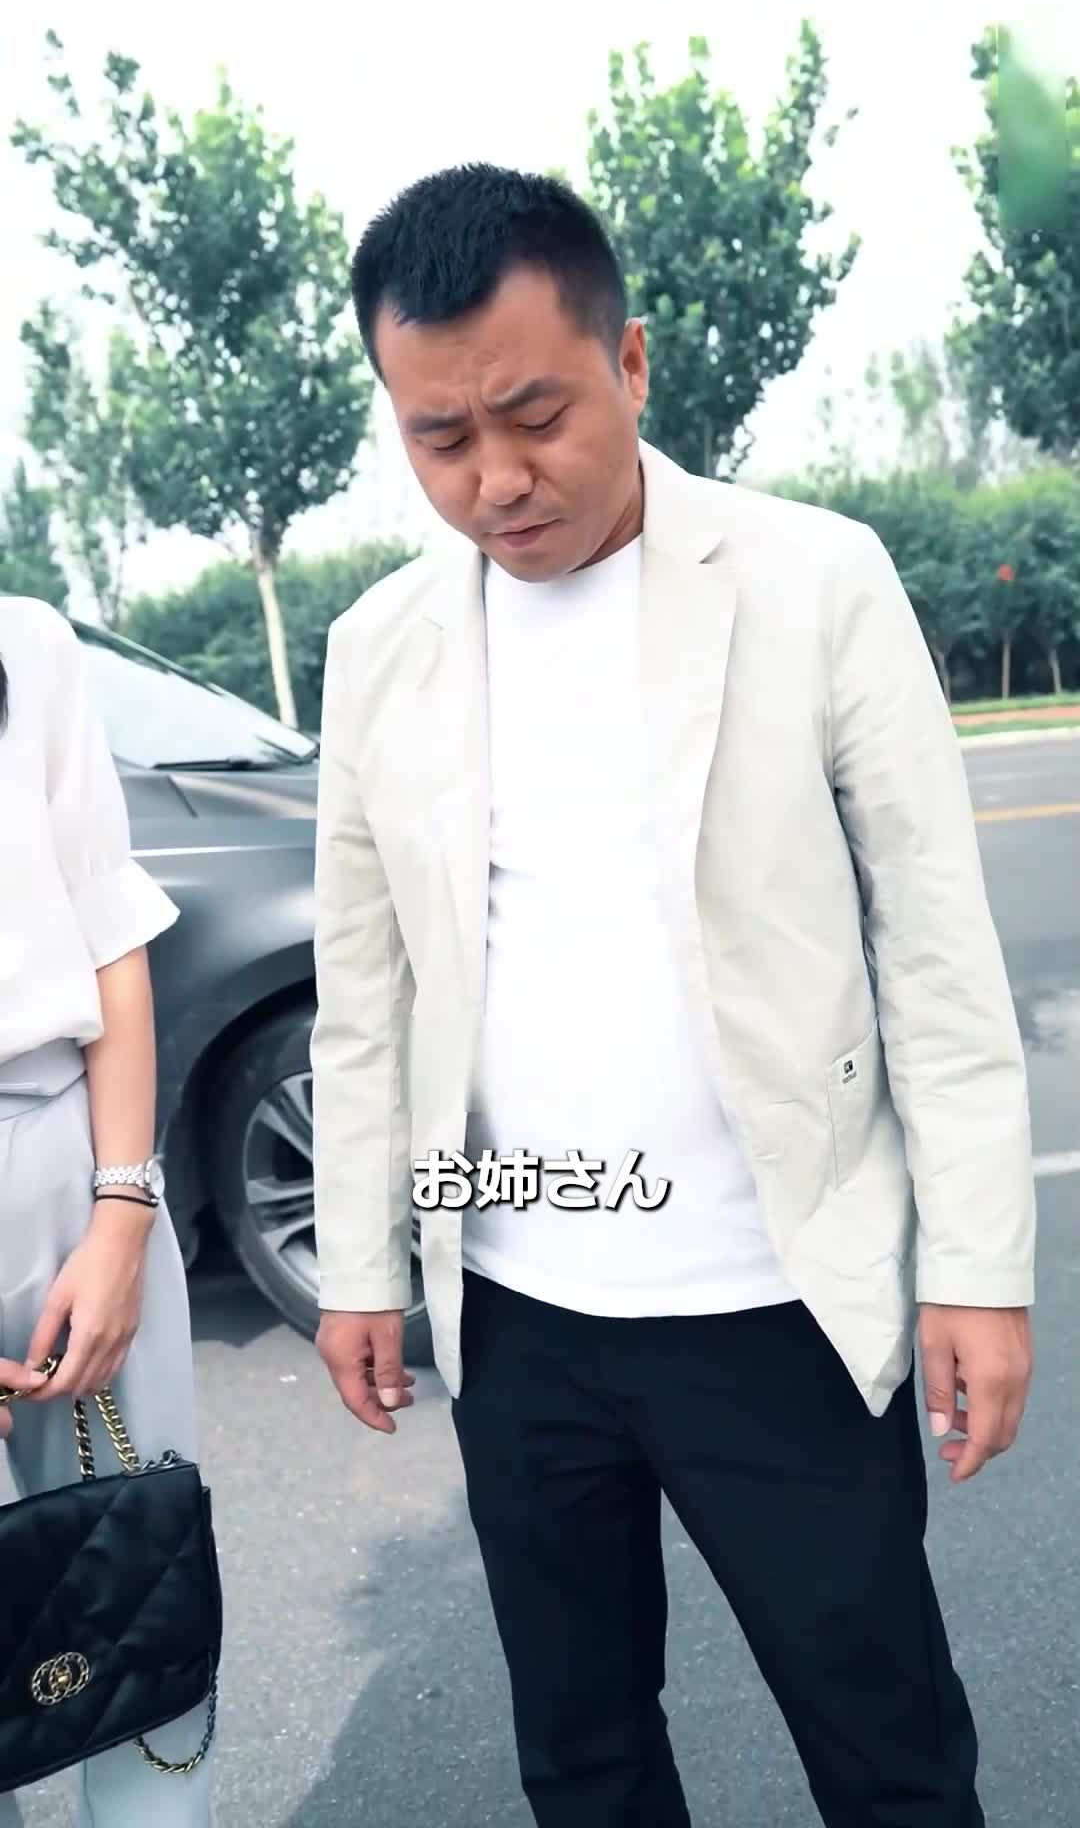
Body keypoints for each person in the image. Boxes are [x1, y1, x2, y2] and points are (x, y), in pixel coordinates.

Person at [310, 164, 1036, 1827]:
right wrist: (360, 1265)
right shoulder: (379, 648)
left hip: (774, 1302)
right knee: (584, 1759)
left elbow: (934, 948)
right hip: (520, 1315)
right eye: (439, 438)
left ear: (629, 363)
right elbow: (366, 992)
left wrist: (979, 1270)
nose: (497, 479)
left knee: (887, 1750)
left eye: (534, 416)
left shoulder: (813, 580)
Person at [0, 597, 215, 1828]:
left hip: (61, 1150)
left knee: (133, 1585)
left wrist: (124, 1211)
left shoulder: (23, 642)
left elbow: (106, 928)